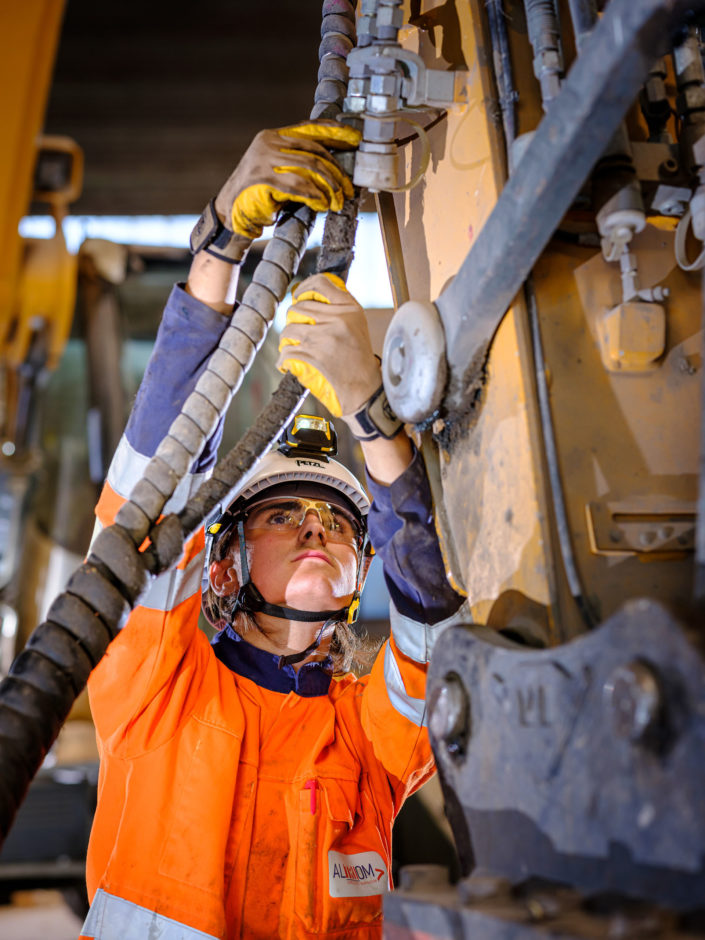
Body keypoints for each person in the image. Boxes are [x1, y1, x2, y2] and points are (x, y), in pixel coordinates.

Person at [80, 122, 465, 940]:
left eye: (334, 519)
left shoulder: (366, 737)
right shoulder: (156, 686)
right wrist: (219, 251)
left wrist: (372, 414)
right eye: (283, 515)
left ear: (364, 571)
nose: (318, 529)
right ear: (220, 568)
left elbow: (434, 630)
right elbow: (149, 501)